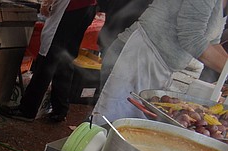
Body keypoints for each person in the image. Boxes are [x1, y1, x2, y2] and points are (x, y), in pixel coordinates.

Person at [94, 0, 228, 122]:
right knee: (108, 126)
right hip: (136, 57)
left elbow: (213, 42)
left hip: (157, 67)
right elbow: (191, 37)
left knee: (134, 128)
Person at [0, 0, 98, 122]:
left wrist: (46, 3)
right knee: (65, 59)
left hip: (69, 8)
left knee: (48, 58)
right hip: (87, 7)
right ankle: (60, 110)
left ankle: (27, 110)